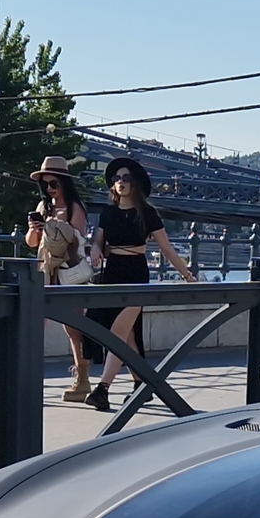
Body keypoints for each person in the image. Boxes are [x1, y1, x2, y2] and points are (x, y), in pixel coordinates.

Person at [86, 156, 197, 413]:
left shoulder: (147, 213)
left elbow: (166, 249)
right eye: (116, 179)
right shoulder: (108, 213)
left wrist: (186, 275)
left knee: (117, 334)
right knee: (129, 337)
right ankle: (141, 386)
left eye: (126, 178)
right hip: (112, 274)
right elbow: (98, 240)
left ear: (134, 183)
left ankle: (102, 389)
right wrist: (94, 249)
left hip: (136, 274)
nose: (120, 183)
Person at [24, 156, 96, 401]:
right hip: (45, 271)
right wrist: (35, 230)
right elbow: (33, 243)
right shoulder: (44, 207)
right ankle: (24, 375)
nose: (50, 188)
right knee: (34, 324)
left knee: (73, 328)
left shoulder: (75, 208)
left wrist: (54, 228)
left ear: (64, 182)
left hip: (68, 271)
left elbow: (76, 240)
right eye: (45, 184)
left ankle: (82, 380)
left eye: (54, 183)